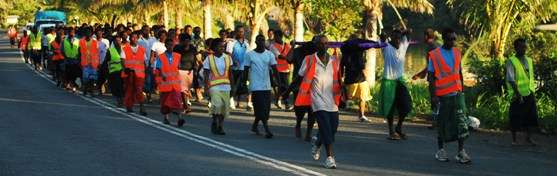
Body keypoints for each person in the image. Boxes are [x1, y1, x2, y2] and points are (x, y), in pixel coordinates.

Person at [299, 35, 342, 169]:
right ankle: (330, 158)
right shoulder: (309, 59)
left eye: (326, 43)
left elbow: (338, 79)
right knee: (325, 127)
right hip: (317, 100)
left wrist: (343, 93)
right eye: (321, 44)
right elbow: (299, 77)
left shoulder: (334, 60)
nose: (324, 46)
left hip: (332, 99)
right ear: (316, 45)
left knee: (333, 128)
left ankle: (317, 144)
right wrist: (287, 91)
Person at [428, 28, 471, 164]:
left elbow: (459, 74)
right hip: (442, 96)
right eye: (450, 39)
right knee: (443, 123)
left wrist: (462, 91)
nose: (452, 41)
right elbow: (431, 78)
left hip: (457, 95)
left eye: (454, 39)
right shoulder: (434, 55)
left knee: (461, 123)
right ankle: (441, 150)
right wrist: (433, 96)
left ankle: (461, 152)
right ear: (444, 39)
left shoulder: (457, 53)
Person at [379, 29, 413, 140]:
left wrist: (404, 32)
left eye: (399, 38)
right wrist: (384, 36)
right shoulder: (386, 47)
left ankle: (398, 127)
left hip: (399, 81)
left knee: (407, 105)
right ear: (391, 39)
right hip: (388, 81)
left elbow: (408, 34)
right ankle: (391, 131)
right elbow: (383, 37)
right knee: (390, 107)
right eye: (395, 38)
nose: (398, 40)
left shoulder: (403, 46)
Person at [245, 34, 280, 138]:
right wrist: (243, 83)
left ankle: (255, 126)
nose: (261, 42)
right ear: (256, 42)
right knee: (260, 108)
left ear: (265, 42)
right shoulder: (249, 55)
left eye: (263, 40)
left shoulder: (269, 55)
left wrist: (279, 83)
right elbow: (245, 69)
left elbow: (274, 69)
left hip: (266, 86)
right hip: (255, 86)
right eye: (259, 40)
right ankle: (267, 129)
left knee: (266, 109)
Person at [505, 38, 539, 146]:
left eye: (525, 47)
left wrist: (532, 90)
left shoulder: (529, 60)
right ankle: (514, 140)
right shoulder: (511, 61)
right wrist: (517, 94)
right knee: (515, 116)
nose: (524, 49)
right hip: (517, 94)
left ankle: (528, 138)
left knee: (531, 115)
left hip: (529, 91)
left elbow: (530, 76)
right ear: (515, 48)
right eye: (521, 47)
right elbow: (510, 79)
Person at [284, 39, 318, 141]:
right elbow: (288, 59)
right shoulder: (298, 51)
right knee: (300, 111)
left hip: (313, 87)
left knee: (312, 111)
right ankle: (298, 124)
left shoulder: (317, 54)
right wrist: (293, 47)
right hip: (298, 86)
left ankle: (308, 133)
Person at [340, 33, 379, 122]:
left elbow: (341, 67)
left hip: (352, 78)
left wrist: (341, 78)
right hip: (358, 78)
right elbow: (362, 66)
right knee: (362, 98)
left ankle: (360, 114)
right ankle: (361, 115)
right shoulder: (358, 53)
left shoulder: (346, 53)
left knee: (358, 97)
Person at [412, 28, 440, 129]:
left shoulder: (432, 48)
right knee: (437, 99)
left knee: (435, 98)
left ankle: (436, 122)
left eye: (423, 36)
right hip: (438, 76)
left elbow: (431, 66)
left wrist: (420, 75)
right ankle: (437, 121)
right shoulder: (436, 46)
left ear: (426, 36)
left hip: (435, 77)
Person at [204, 38, 233, 135]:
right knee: (217, 106)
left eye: (223, 46)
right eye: (220, 46)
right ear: (214, 47)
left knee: (224, 109)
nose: (222, 48)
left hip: (226, 86)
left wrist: (232, 86)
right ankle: (215, 121)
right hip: (214, 87)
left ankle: (220, 126)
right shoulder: (209, 58)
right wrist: (206, 88)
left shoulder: (228, 58)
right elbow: (206, 74)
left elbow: (230, 73)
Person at [156, 39, 185, 127]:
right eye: (168, 45)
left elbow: (178, 67)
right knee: (165, 103)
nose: (170, 47)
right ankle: (166, 118)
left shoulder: (177, 56)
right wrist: (162, 74)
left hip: (175, 84)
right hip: (165, 84)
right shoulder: (161, 57)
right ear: (165, 45)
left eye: (172, 45)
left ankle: (180, 118)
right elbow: (158, 68)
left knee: (177, 102)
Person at [121, 32, 148, 116]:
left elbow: (144, 62)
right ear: (130, 38)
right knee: (129, 90)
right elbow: (122, 60)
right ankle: (129, 106)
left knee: (139, 90)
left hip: (139, 74)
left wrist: (145, 72)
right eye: (133, 37)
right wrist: (125, 68)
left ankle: (142, 107)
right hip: (129, 73)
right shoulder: (125, 48)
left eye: (136, 38)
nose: (134, 39)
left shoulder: (142, 49)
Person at [226, 25, 251, 110]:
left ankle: (247, 103)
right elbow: (228, 55)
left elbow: (248, 56)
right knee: (233, 86)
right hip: (233, 68)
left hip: (243, 68)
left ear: (244, 32)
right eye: (239, 31)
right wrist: (232, 62)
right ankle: (231, 101)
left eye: (242, 31)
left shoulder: (246, 43)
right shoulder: (231, 42)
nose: (240, 33)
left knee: (244, 85)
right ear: (236, 32)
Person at [174, 33, 198, 113]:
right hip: (180, 70)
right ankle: (185, 106)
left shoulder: (193, 48)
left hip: (190, 70)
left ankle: (182, 103)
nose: (187, 42)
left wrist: (195, 67)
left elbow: (195, 58)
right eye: (185, 41)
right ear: (181, 41)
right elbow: (174, 58)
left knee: (187, 89)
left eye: (188, 40)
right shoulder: (177, 48)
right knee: (183, 89)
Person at [269, 30, 292, 110]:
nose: (274, 38)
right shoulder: (272, 46)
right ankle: (286, 103)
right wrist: (288, 58)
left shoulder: (287, 45)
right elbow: (279, 56)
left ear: (280, 36)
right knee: (284, 86)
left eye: (275, 36)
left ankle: (278, 100)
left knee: (282, 86)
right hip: (278, 69)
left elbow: (291, 54)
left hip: (286, 69)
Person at [138, 25, 158, 103]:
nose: (146, 31)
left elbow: (156, 50)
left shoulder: (153, 40)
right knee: (147, 80)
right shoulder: (139, 41)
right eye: (145, 30)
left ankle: (147, 92)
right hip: (144, 63)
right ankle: (148, 96)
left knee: (152, 80)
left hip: (154, 63)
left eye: (148, 30)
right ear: (142, 31)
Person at [148, 29, 169, 102]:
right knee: (155, 81)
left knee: (164, 82)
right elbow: (152, 55)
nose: (163, 37)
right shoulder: (155, 44)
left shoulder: (168, 44)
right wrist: (150, 64)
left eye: (164, 36)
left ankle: (162, 97)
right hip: (156, 65)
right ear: (159, 36)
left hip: (166, 66)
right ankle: (149, 95)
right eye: (161, 36)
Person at [79, 27, 100, 96]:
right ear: (85, 33)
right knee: (86, 78)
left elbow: (97, 53)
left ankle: (91, 90)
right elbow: (79, 52)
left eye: (89, 32)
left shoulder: (95, 42)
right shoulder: (81, 41)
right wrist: (79, 61)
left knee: (93, 78)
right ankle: (85, 89)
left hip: (93, 63)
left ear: (91, 33)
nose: (88, 34)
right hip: (85, 63)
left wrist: (98, 62)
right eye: (87, 32)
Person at [107, 34, 125, 107]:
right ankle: (119, 101)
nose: (118, 42)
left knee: (123, 87)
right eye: (116, 41)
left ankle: (122, 100)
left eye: (119, 40)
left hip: (123, 71)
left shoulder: (124, 49)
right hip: (114, 72)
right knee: (116, 87)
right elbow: (107, 61)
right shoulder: (110, 51)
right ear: (113, 42)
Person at [63, 27, 81, 92]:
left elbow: (80, 50)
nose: (71, 33)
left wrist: (79, 58)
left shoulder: (77, 40)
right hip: (67, 60)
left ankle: (73, 85)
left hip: (75, 60)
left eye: (73, 32)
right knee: (68, 73)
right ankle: (68, 84)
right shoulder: (64, 40)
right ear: (68, 33)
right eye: (70, 32)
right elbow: (62, 50)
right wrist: (65, 56)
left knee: (74, 74)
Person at [192, 26, 206, 102]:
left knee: (201, 76)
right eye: (196, 31)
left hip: (201, 59)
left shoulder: (202, 40)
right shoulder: (191, 40)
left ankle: (199, 91)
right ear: (194, 32)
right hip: (194, 59)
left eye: (199, 31)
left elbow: (203, 49)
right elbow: (193, 50)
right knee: (195, 76)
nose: (197, 32)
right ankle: (197, 93)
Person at [95, 30, 110, 95]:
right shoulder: (94, 41)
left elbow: (107, 50)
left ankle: (103, 86)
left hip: (104, 61)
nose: (99, 34)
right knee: (98, 76)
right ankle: (99, 89)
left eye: (100, 33)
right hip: (96, 61)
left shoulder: (106, 41)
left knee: (104, 76)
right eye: (98, 33)